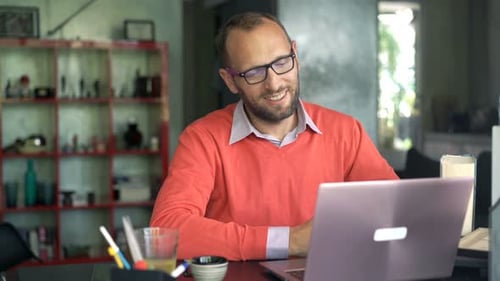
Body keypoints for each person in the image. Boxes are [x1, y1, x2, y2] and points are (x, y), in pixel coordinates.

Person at [150, 11, 398, 261]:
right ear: (230, 81)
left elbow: (397, 210)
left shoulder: (346, 132)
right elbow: (167, 231)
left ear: (296, 56)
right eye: (255, 73)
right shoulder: (203, 139)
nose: (274, 83)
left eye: (281, 63)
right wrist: (290, 241)